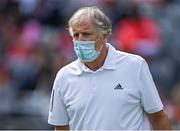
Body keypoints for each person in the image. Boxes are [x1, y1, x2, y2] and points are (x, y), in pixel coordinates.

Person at [48, 6, 171, 130]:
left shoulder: (135, 66)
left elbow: (158, 117)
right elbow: (61, 127)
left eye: (86, 34)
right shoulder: (63, 76)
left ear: (104, 35)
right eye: (75, 35)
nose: (80, 40)